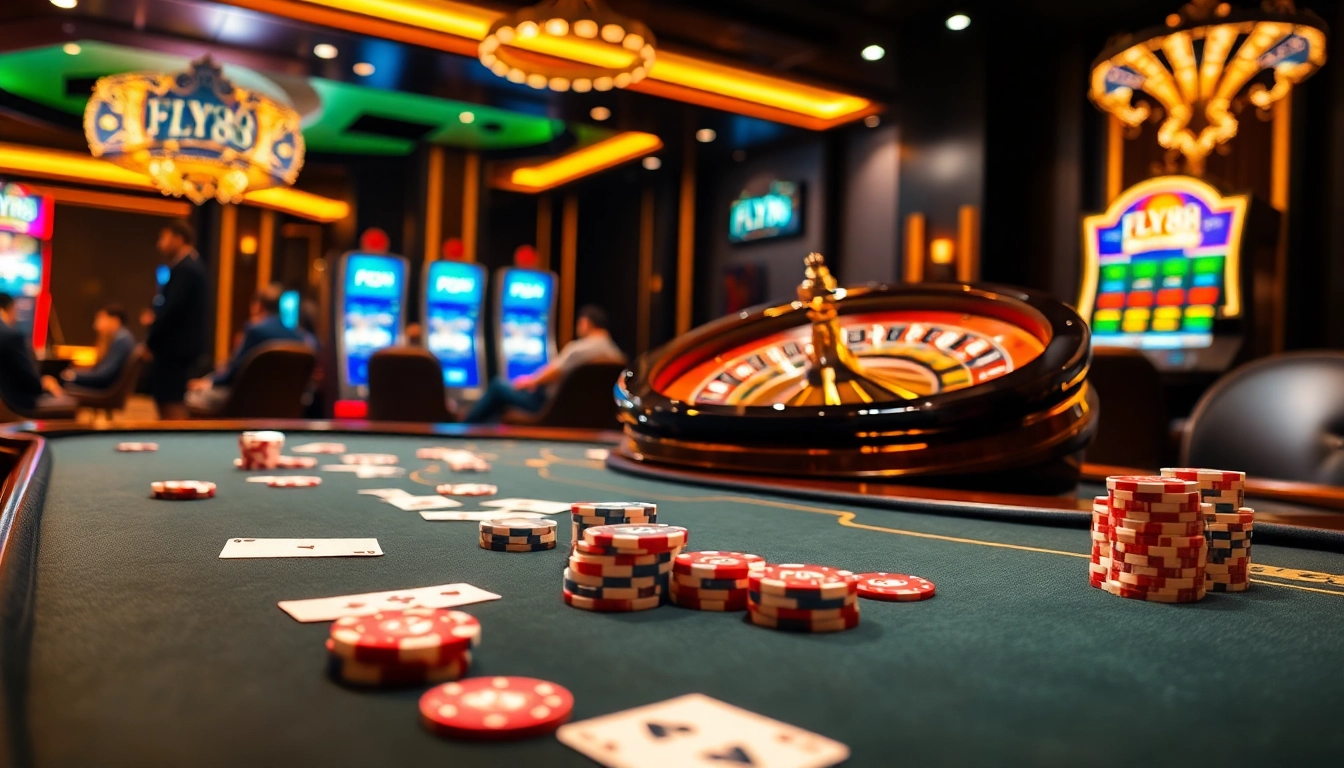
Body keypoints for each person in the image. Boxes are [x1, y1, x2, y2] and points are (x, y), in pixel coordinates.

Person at [464, 304, 626, 423]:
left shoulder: (579, 349)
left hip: (550, 407)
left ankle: (463, 427)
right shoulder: (617, 356)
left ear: (585, 323)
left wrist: (530, 381)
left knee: (498, 386)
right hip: (589, 415)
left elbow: (555, 371)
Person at [185, 284, 303, 413]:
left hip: (246, 401)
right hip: (283, 406)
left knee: (190, 396)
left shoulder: (254, 330)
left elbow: (235, 371)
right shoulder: (297, 336)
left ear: (258, 306)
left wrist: (210, 382)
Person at [144, 220, 208, 420]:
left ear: (179, 239)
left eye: (164, 238)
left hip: (175, 350)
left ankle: (176, 444)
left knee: (170, 400)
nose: (159, 244)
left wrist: (150, 342)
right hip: (179, 349)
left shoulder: (186, 268)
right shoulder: (190, 265)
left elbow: (171, 311)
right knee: (168, 399)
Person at [0, 292, 73, 415]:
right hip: (15, 404)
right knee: (66, 399)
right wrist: (45, 384)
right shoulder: (12, 336)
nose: (16, 317)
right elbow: (31, 383)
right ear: (10, 308)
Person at [61, 304, 137, 390]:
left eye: (101, 319)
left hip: (106, 390)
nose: (96, 325)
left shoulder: (121, 340)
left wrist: (72, 375)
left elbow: (104, 375)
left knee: (58, 383)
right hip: (107, 386)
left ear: (115, 320)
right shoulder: (122, 337)